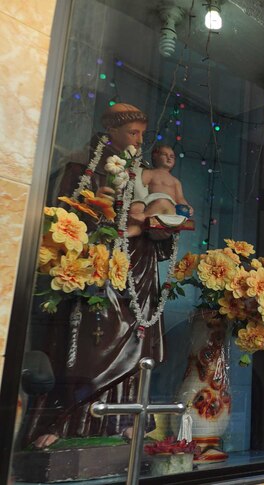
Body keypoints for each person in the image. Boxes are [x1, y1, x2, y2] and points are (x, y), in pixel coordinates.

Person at [25, 103, 169, 449]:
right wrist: (94, 207)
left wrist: (157, 226)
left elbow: (159, 215)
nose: (138, 140)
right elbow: (61, 217)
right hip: (97, 267)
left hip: (137, 267)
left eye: (141, 134)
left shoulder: (143, 172)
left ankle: (124, 420)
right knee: (91, 342)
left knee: (136, 339)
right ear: (112, 131)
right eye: (133, 133)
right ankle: (72, 421)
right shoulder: (82, 166)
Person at [127, 144, 193, 237]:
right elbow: (139, 188)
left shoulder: (175, 181)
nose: (168, 158)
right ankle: (131, 230)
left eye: (172, 156)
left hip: (168, 210)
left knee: (162, 202)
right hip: (152, 204)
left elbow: (180, 199)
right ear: (155, 156)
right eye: (164, 155)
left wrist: (187, 207)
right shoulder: (149, 173)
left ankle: (143, 216)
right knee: (138, 207)